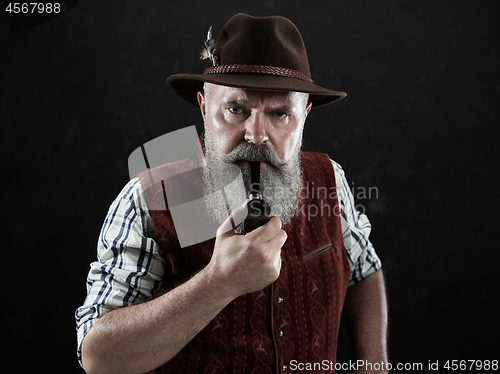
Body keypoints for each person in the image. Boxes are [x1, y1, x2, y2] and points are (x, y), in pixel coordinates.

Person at [75, 13, 388, 374]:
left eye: (280, 113)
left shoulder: (329, 178)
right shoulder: (150, 198)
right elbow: (98, 357)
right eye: (236, 109)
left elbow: (364, 271)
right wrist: (217, 283)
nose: (256, 135)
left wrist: (374, 367)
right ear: (205, 107)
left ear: (305, 115)